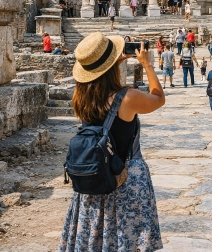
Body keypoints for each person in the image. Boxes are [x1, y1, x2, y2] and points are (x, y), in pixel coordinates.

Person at [59, 33, 164, 252]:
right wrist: (147, 65)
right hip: (124, 180)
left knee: (95, 238)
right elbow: (158, 98)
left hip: (94, 178)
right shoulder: (127, 97)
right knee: (126, 241)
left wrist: (112, 62)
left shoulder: (80, 96)